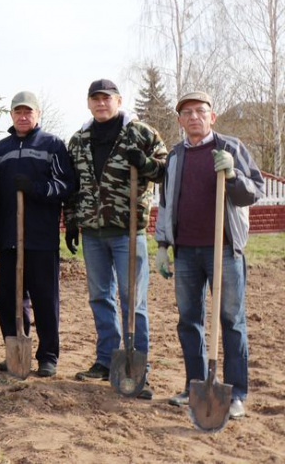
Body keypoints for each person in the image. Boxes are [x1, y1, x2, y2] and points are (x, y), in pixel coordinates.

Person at [154, 91, 263, 419]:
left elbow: (253, 192)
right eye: (186, 113)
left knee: (231, 321)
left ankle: (236, 393)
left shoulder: (231, 148)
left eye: (200, 111)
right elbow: (165, 203)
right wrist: (162, 245)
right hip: (186, 252)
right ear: (180, 121)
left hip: (225, 250)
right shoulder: (174, 156)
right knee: (189, 322)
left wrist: (232, 175)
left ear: (211, 116)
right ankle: (195, 386)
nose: (194, 117)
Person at [64, 78, 167, 398]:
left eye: (106, 98)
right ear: (88, 103)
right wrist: (70, 222)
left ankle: (139, 369)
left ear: (119, 101)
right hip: (93, 233)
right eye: (95, 99)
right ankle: (106, 360)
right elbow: (72, 184)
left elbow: (166, 171)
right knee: (100, 297)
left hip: (128, 231)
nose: (101, 104)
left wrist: (145, 163)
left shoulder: (142, 133)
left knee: (132, 301)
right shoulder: (78, 139)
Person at [0, 91, 75, 377]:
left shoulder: (52, 145)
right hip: (10, 238)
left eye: (28, 112)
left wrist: (37, 188)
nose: (23, 117)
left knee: (44, 299)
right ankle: (16, 348)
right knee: (7, 299)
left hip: (41, 237)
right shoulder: (0, 149)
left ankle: (48, 355)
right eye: (18, 112)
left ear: (37, 115)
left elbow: (66, 185)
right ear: (11, 115)